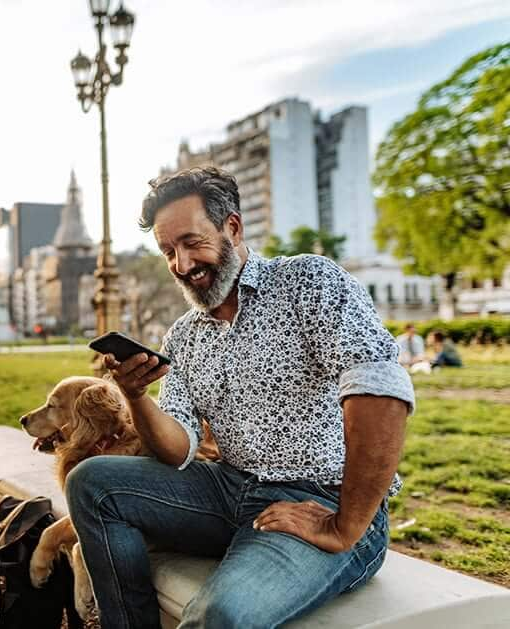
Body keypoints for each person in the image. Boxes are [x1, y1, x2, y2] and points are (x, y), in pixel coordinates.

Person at [65, 167, 414, 629]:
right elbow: (178, 449)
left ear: (232, 226)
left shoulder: (307, 282)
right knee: (92, 483)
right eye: (169, 251)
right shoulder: (184, 336)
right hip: (227, 488)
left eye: (192, 243)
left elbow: (380, 389)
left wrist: (344, 525)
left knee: (219, 618)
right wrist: (135, 396)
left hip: (318, 500)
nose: (181, 265)